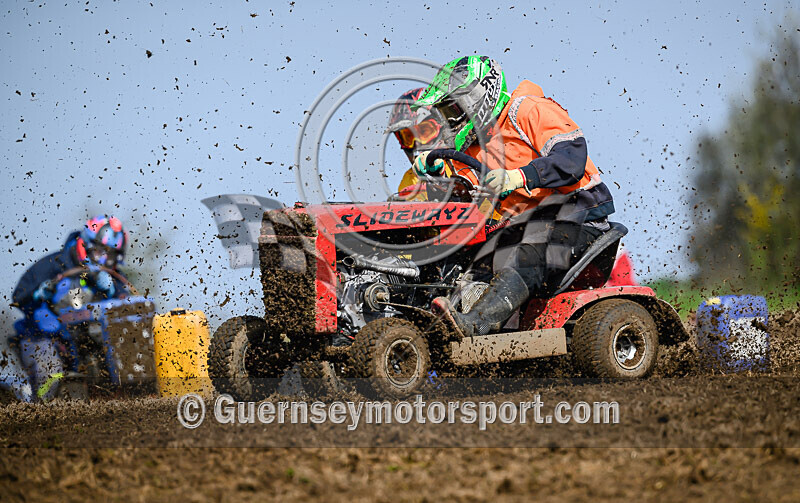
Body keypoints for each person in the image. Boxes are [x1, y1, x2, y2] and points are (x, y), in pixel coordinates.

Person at [412, 56, 616, 338]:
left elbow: (571, 160)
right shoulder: (470, 148)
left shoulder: (529, 110)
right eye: (444, 113)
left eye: (452, 109)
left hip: (578, 219)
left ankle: (476, 324)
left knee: (527, 254)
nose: (449, 119)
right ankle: (432, 329)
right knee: (455, 260)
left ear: (478, 95)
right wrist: (437, 173)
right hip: (523, 227)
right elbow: (465, 198)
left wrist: (518, 177)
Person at [3, 215, 129, 401]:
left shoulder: (114, 276)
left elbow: (127, 306)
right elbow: (18, 297)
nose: (103, 260)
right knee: (51, 371)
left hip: (90, 339)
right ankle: (42, 407)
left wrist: (110, 289)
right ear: (84, 244)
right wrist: (39, 294)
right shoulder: (52, 265)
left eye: (110, 256)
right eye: (99, 252)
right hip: (43, 338)